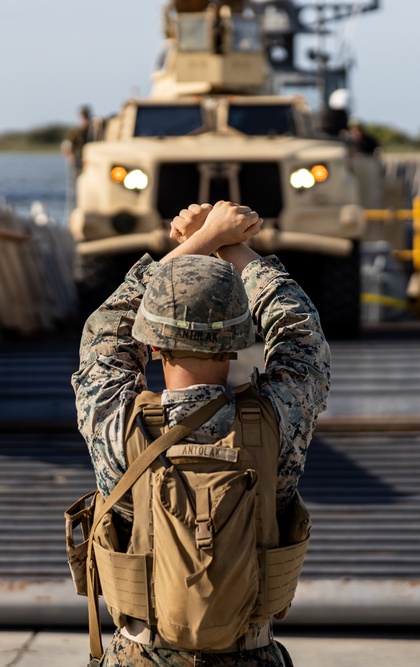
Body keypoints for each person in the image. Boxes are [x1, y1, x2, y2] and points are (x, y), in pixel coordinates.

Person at [72, 200, 331, 666]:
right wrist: (236, 247)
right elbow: (300, 333)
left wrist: (201, 240)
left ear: (151, 342)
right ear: (239, 341)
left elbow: (106, 332)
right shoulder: (279, 419)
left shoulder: (115, 420)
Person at [63, 104, 93, 176]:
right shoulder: (75, 131)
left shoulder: (93, 128)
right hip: (79, 160)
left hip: (91, 160)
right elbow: (67, 145)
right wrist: (70, 155)